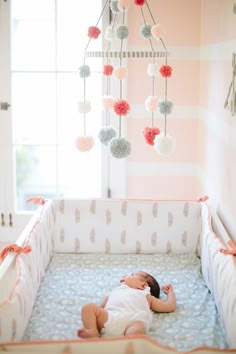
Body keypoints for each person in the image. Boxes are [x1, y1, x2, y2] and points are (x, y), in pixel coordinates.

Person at [77, 271, 176, 338]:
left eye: (132, 274)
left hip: (133, 320)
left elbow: (169, 306)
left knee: (137, 329)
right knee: (88, 307)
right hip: (110, 318)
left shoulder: (145, 295)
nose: (126, 275)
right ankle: (92, 331)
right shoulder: (114, 292)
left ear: (143, 285)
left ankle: (131, 343)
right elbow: (99, 309)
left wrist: (170, 293)